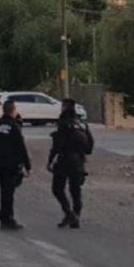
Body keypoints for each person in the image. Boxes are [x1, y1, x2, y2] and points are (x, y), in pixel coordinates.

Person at [48, 98, 94, 229]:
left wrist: (50, 160)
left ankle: (69, 213)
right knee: (75, 190)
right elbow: (89, 146)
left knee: (57, 188)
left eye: (63, 106)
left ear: (65, 107)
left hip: (64, 160)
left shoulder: (63, 123)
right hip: (78, 161)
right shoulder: (82, 124)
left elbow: (57, 144)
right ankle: (75, 218)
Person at [0, 100, 31, 230]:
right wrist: (28, 166)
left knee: (4, 190)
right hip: (11, 164)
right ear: (13, 111)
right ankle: (7, 219)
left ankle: (5, 217)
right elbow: (21, 147)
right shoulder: (13, 126)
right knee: (8, 192)